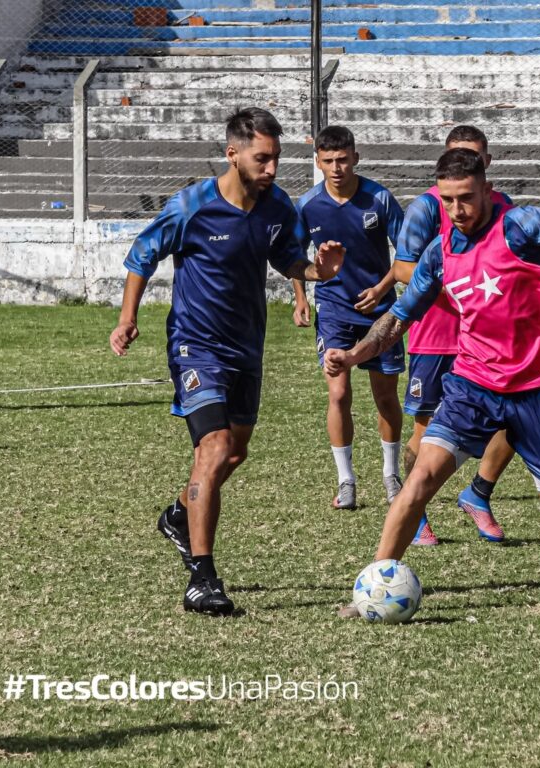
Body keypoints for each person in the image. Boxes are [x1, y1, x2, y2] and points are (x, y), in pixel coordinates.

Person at [326, 149, 540, 619]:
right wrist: (355, 354)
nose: (458, 211)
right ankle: (373, 589)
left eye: (466, 198)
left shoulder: (522, 225)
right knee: (418, 479)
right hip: (473, 384)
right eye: (448, 201)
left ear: (486, 186)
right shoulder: (440, 252)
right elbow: (399, 318)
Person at [109, 108, 344, 617]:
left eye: (277, 158)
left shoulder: (277, 206)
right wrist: (128, 318)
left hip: (246, 347)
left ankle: (178, 514)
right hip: (196, 344)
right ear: (232, 153)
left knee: (233, 454)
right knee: (212, 450)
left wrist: (316, 271)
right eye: (263, 158)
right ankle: (202, 577)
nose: (273, 169)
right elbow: (141, 255)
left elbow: (286, 257)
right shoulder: (192, 205)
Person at [393, 125, 512, 545]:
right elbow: (404, 267)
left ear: (486, 166)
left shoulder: (504, 209)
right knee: (426, 432)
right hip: (436, 336)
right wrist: (454, 286)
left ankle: (479, 493)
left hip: (491, 340)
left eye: (473, 158)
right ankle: (415, 509)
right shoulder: (427, 208)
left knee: (513, 420)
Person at [290, 126, 405, 510]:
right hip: (335, 311)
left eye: (343, 159)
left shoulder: (380, 199)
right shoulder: (308, 205)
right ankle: (346, 480)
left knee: (385, 397)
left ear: (356, 157)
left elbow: (406, 255)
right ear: (317, 161)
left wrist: (381, 288)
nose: (336, 168)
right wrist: (301, 298)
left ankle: (391, 475)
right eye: (328, 161)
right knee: (338, 393)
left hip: (381, 312)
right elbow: (295, 256)